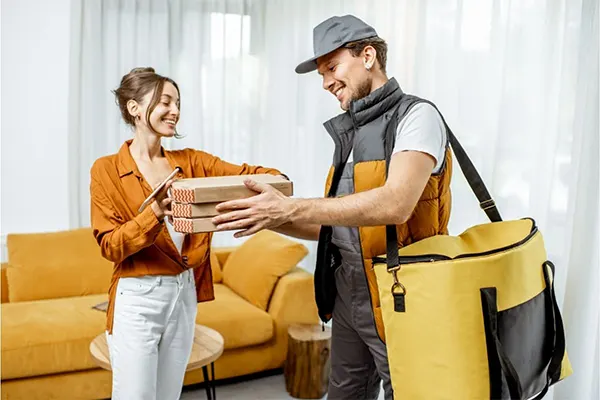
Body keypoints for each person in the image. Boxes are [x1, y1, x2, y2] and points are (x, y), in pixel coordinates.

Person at [211, 15, 453, 400]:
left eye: (332, 67)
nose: (325, 82)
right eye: (322, 73)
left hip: (402, 296)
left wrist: (289, 208)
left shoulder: (418, 116)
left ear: (368, 55)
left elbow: (395, 204)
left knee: (410, 392)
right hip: (348, 295)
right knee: (344, 393)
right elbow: (336, 225)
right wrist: (265, 215)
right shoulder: (350, 134)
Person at [90, 67, 285, 400]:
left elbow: (251, 175)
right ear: (134, 108)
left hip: (183, 295)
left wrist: (276, 183)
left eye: (178, 102)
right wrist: (155, 213)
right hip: (137, 298)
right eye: (165, 101)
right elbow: (111, 245)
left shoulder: (193, 163)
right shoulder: (106, 169)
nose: (175, 110)